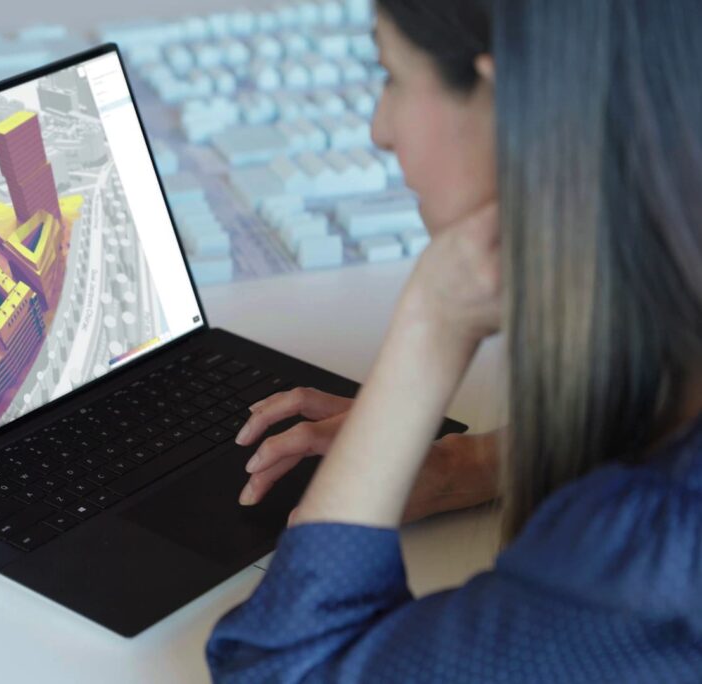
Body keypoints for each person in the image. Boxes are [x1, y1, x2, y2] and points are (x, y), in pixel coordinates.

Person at [205, 0, 702, 680]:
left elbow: (283, 664)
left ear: (510, 108)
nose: (380, 129)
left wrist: (430, 329)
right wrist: (477, 462)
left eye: (392, 77)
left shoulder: (645, 568)